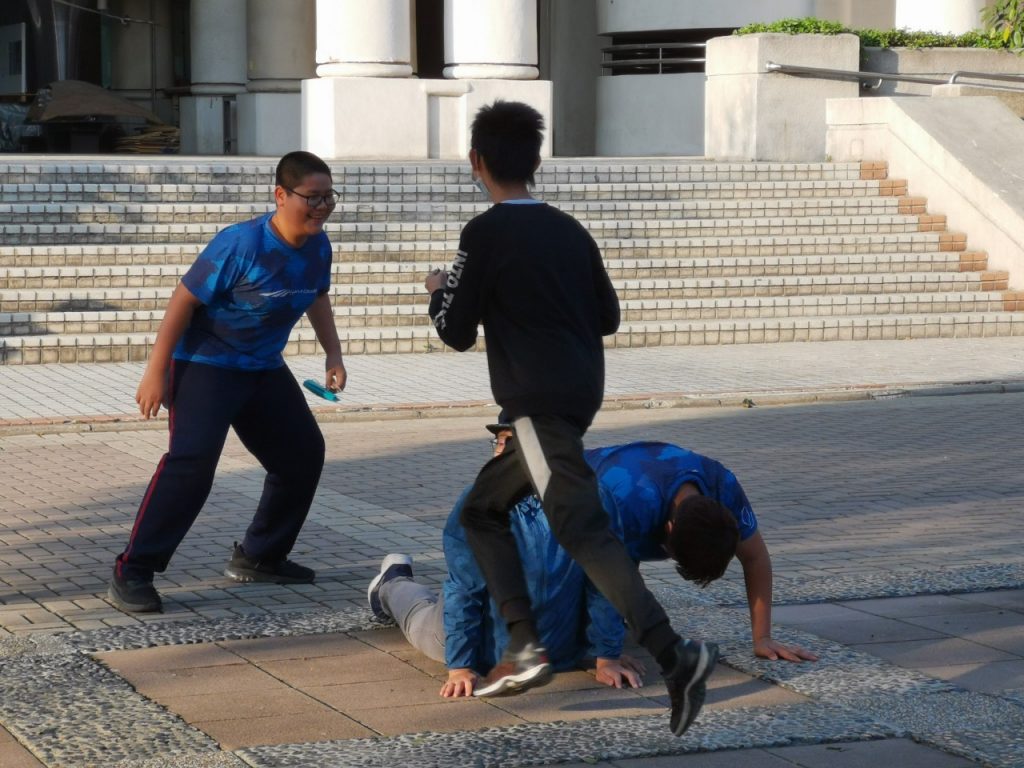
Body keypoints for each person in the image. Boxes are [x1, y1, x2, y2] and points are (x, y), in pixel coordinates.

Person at [424, 100, 717, 737]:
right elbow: (608, 316)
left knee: (586, 534)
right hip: (574, 400)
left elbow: (454, 330)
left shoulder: (484, 233)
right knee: (482, 511)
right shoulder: (570, 230)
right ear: (536, 161)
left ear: (478, 163)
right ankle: (525, 643)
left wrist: (437, 291)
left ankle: (676, 657)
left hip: (535, 406)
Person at [368, 427, 816, 700]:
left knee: (585, 603)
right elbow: (465, 587)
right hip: (487, 615)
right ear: (669, 532)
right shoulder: (613, 501)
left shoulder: (722, 491)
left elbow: (754, 556)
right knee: (436, 621)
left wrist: (763, 636)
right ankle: (392, 583)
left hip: (565, 560)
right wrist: (462, 664)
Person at [107, 150, 346, 614]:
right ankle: (132, 570)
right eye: (311, 198)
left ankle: (260, 555)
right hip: (206, 365)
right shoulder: (240, 243)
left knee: (301, 455)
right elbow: (183, 302)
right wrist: (155, 371)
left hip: (262, 367)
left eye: (328, 198)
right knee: (191, 465)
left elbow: (317, 296)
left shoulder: (319, 245)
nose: (321, 207)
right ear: (281, 195)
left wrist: (332, 353)